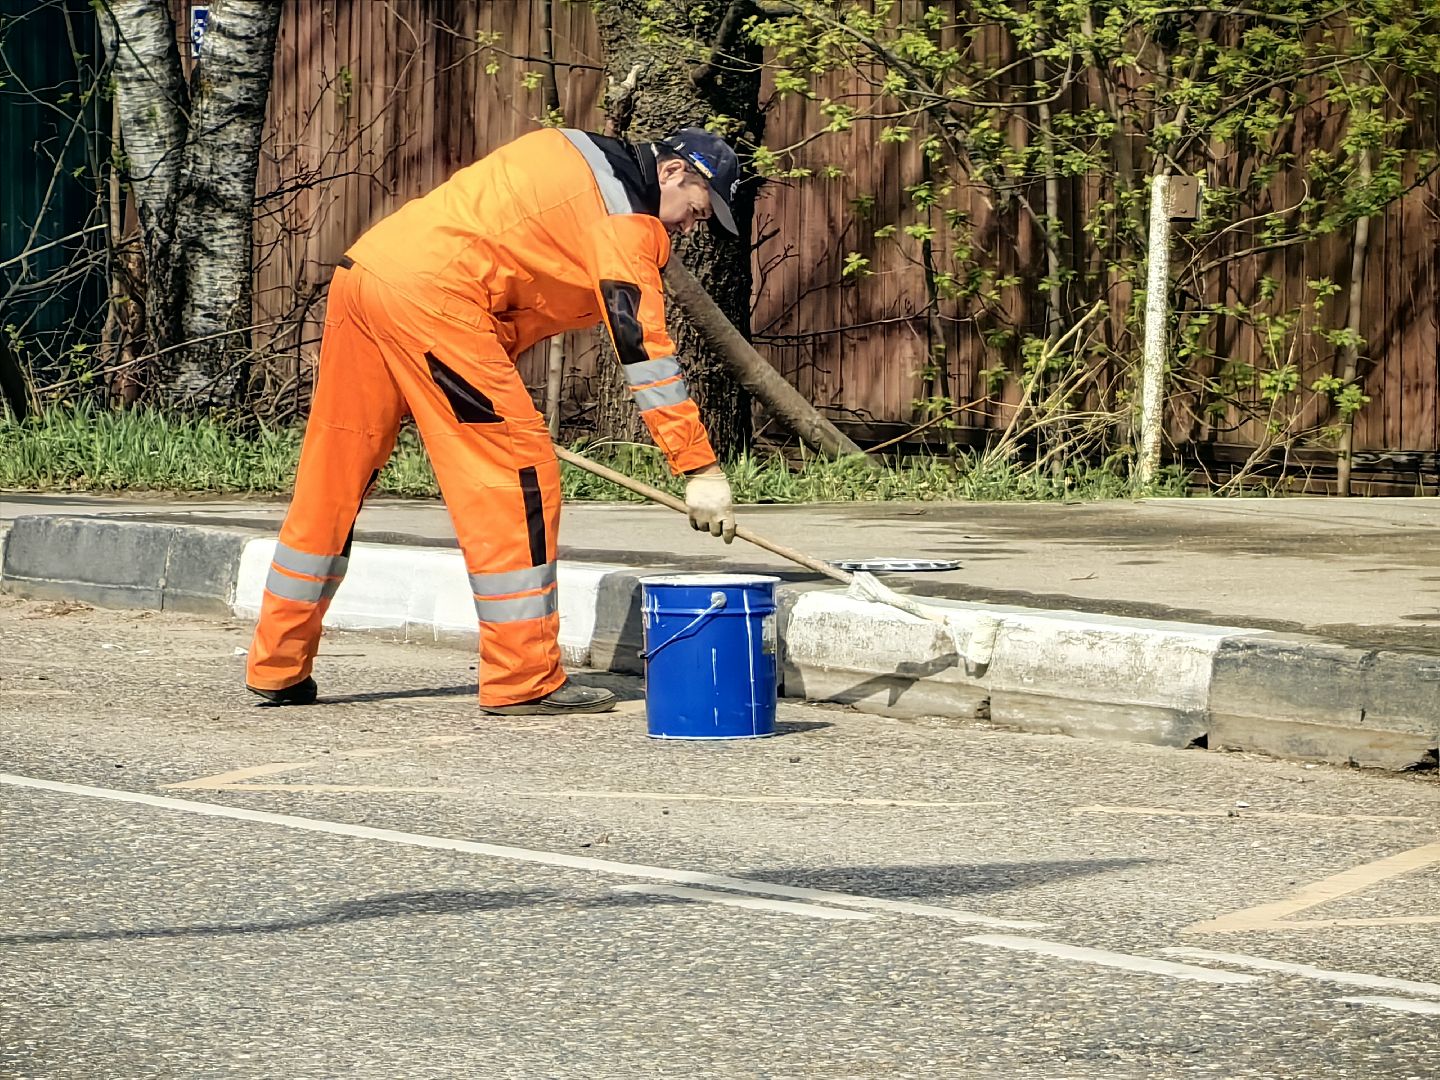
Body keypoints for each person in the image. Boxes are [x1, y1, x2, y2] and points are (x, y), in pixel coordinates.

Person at [244, 126, 742, 715]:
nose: (689, 227)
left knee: (335, 474)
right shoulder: (626, 220)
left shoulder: (576, 156)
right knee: (518, 477)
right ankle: (524, 678)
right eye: (695, 210)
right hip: (433, 298)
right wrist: (699, 466)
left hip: (370, 275)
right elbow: (644, 350)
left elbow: (508, 270)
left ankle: (277, 665)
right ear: (672, 172)